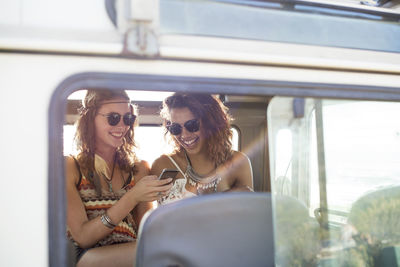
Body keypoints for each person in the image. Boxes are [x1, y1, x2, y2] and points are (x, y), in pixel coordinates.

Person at [65, 89, 172, 267]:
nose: (122, 126)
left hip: (131, 252)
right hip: (85, 256)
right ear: (90, 120)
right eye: (113, 118)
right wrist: (132, 197)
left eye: (128, 119)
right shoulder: (70, 166)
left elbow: (147, 234)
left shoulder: (138, 170)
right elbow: (83, 238)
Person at [151, 93, 253, 205]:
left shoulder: (238, 162)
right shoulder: (162, 165)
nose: (184, 135)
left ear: (210, 123)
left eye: (192, 125)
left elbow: (248, 216)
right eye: (176, 128)